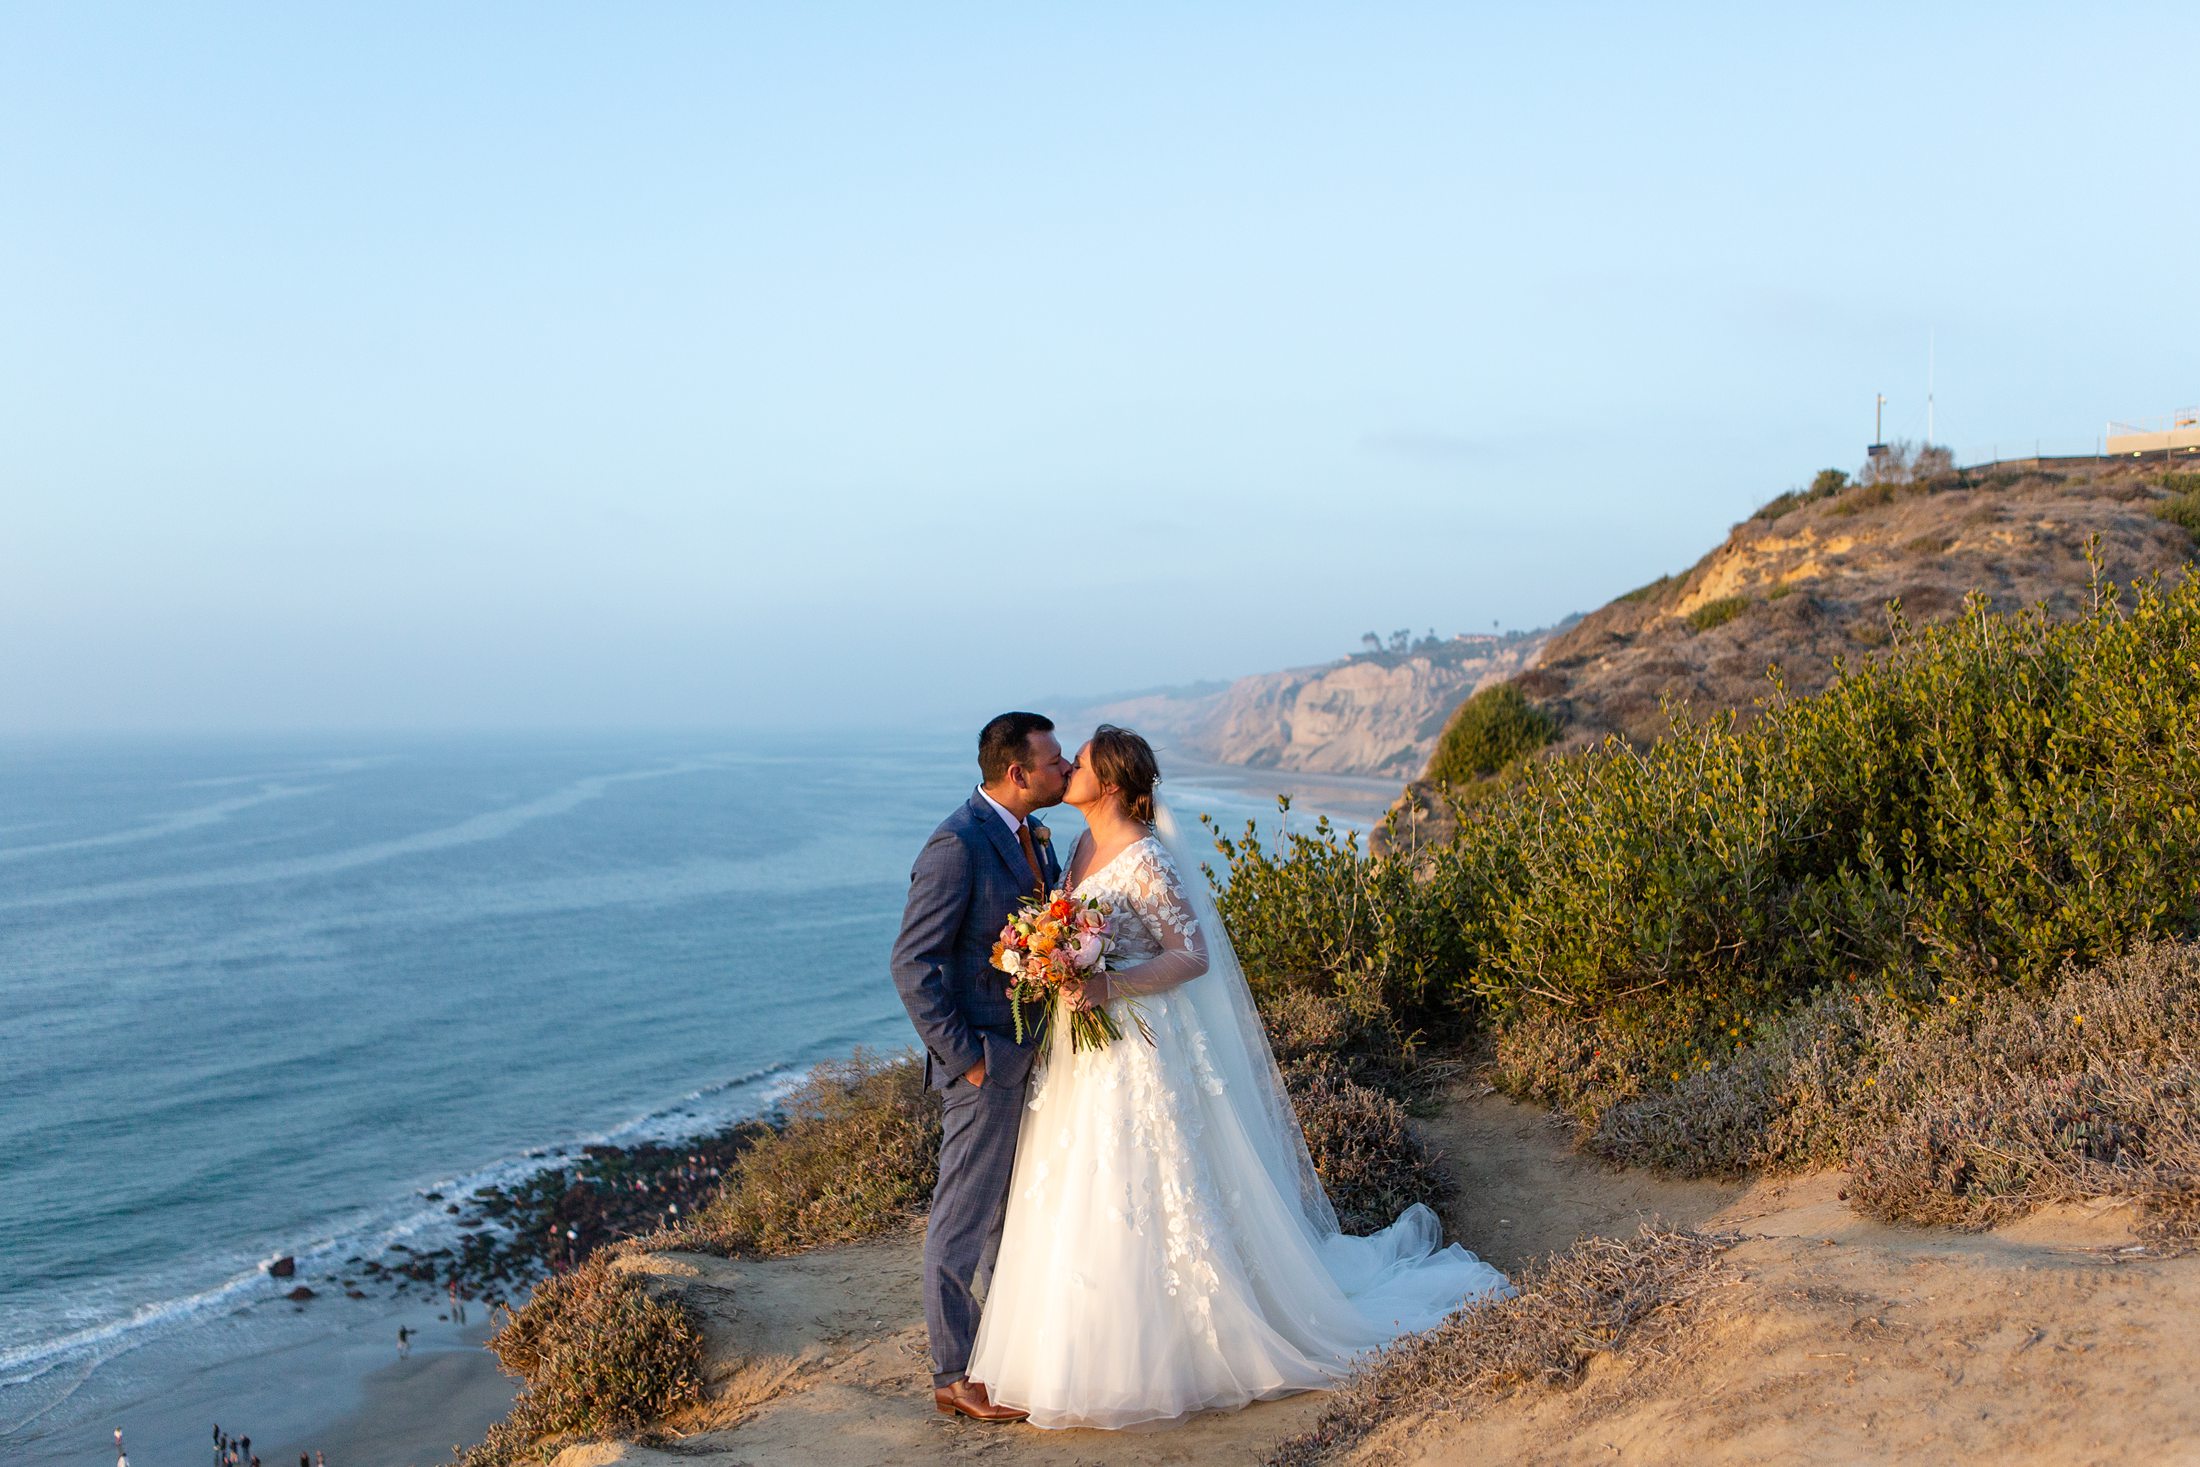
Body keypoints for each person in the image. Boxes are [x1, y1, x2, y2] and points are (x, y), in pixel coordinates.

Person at [963, 726, 1512, 1428]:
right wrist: (1055, 964)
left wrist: (1110, 986)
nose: (1068, 766)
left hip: (1140, 1045)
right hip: (1082, 1054)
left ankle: (1182, 1348)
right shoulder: (1074, 846)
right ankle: (1077, 1343)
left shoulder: (1144, 854)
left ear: (1113, 783)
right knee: (1081, 1184)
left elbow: (1190, 955)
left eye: (1083, 763)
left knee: (1148, 1182)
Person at [889, 712, 1070, 1422]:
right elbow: (912, 965)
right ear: (1018, 772)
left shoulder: (1033, 837)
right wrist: (968, 1060)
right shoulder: (956, 844)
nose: (1065, 771)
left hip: (1034, 1057)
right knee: (964, 1217)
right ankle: (954, 1373)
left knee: (1008, 1215)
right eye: (1054, 761)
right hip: (988, 1065)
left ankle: (998, 1357)